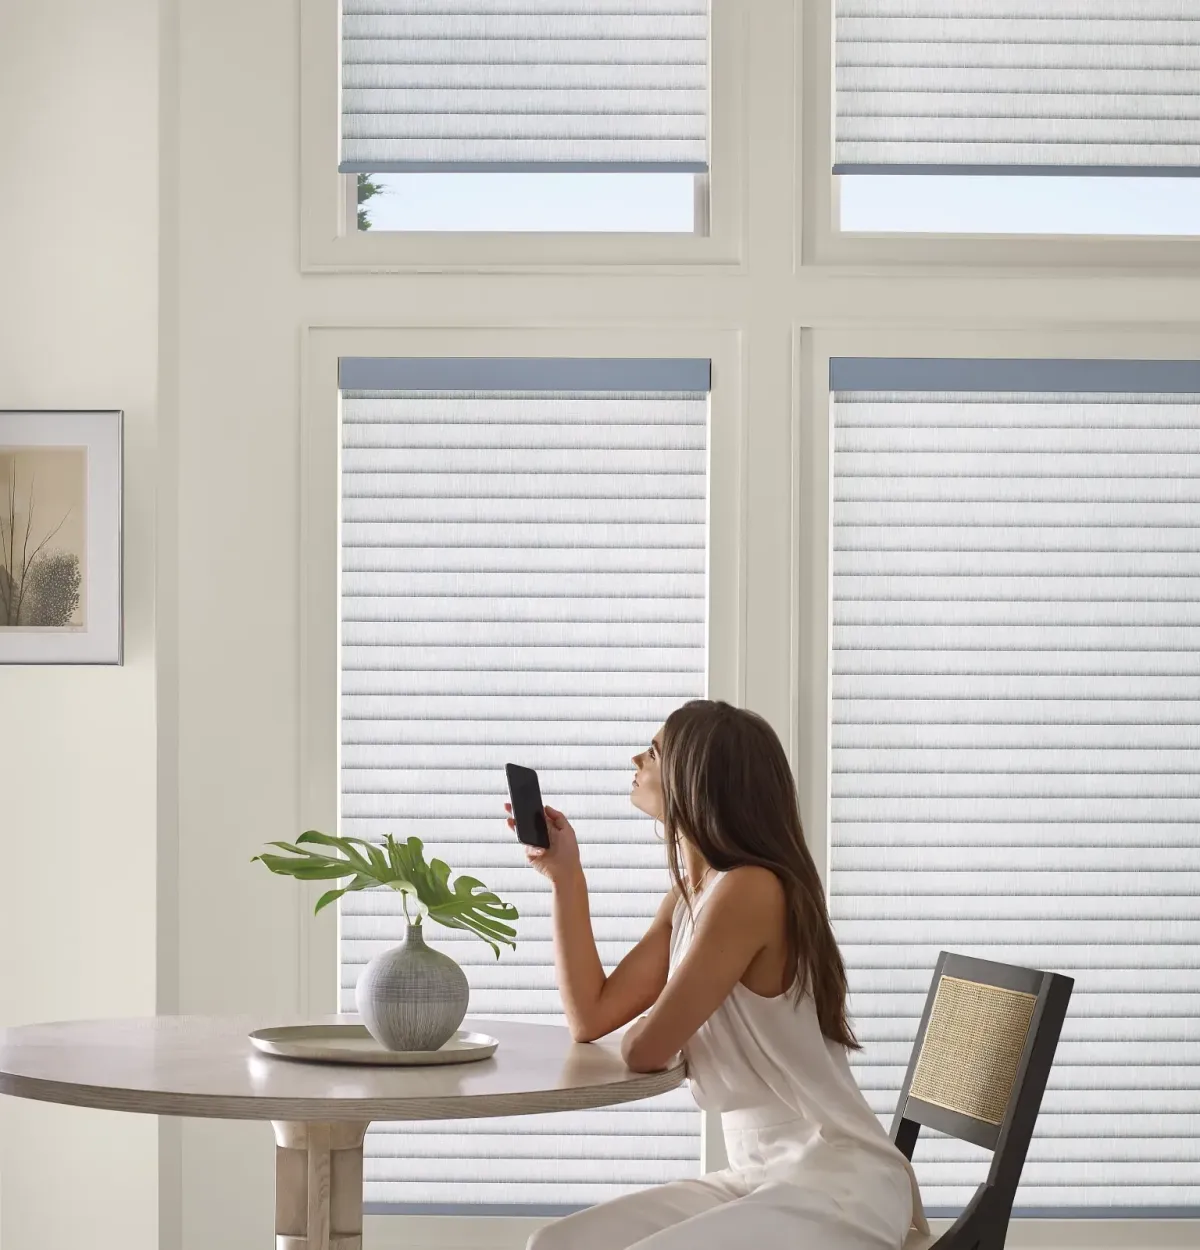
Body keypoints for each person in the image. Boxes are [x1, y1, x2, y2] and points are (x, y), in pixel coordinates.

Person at [505, 698, 930, 1250]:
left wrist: (653, 1032)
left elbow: (644, 1050)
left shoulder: (749, 890)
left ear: (697, 779)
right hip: (758, 1177)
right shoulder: (690, 898)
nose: (636, 759)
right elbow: (591, 1016)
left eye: (654, 751)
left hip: (836, 1181)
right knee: (554, 1244)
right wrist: (567, 877)